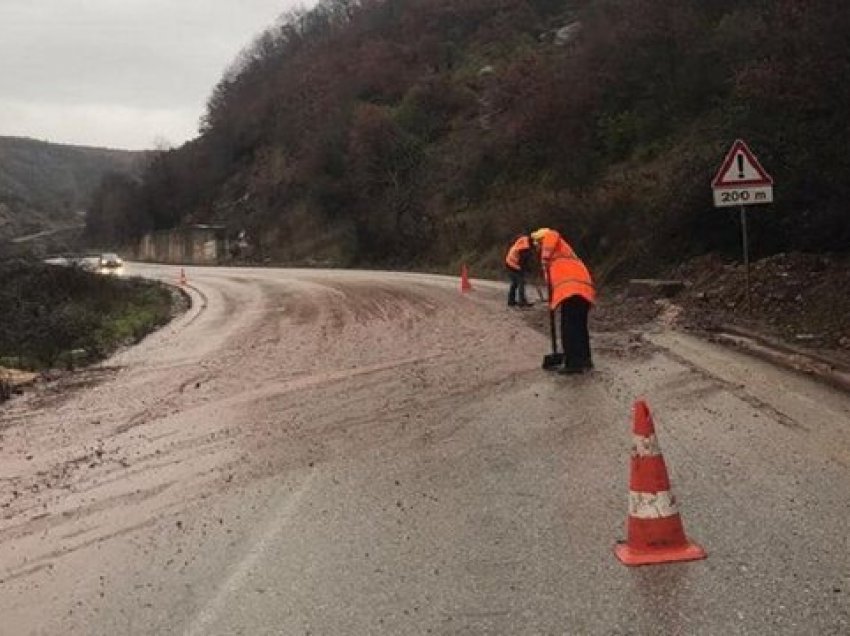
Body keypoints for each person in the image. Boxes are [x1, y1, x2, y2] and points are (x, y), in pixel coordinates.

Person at [531, 227, 596, 374]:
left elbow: (552, 234)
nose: (538, 248)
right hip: (583, 288)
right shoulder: (563, 253)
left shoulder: (551, 241)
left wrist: (545, 257)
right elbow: (552, 283)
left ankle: (573, 364)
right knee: (580, 326)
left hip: (572, 290)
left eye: (537, 244)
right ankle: (585, 359)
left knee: (569, 327)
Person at [504, 233, 534, 308]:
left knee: (515, 283)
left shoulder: (524, 241)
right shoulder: (524, 247)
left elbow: (524, 260)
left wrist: (527, 268)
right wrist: (527, 269)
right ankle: (522, 302)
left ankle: (511, 301)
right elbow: (522, 261)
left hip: (509, 262)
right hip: (513, 264)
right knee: (521, 283)